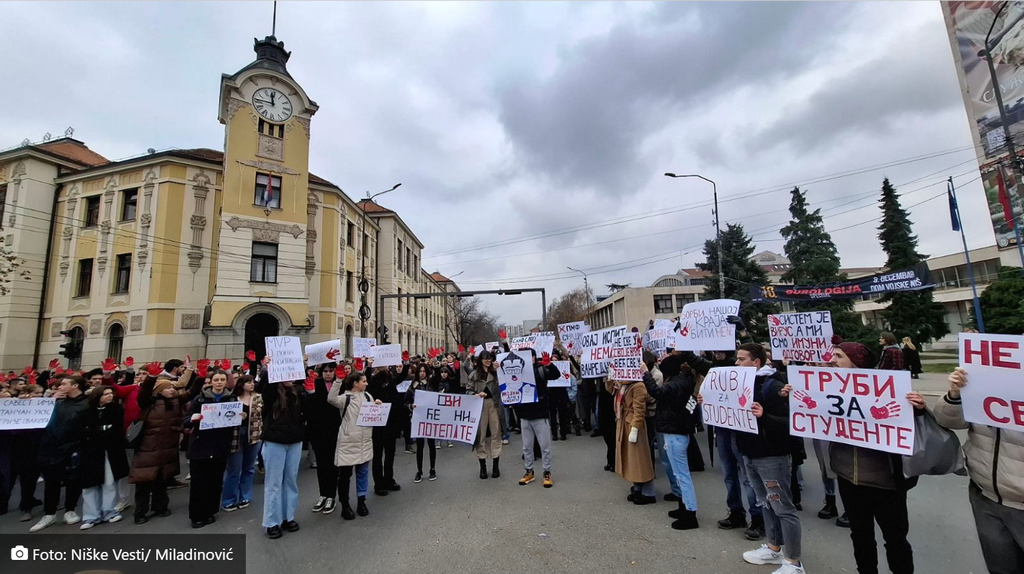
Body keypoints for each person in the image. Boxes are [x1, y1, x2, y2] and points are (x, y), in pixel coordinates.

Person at [827, 339, 926, 574]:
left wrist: (919, 408)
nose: (833, 360)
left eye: (839, 356)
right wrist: (792, 396)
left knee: (895, 540)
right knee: (860, 536)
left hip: (886, 483)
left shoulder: (889, 390)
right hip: (848, 478)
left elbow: (912, 429)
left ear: (856, 361)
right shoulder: (827, 388)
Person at [936, 366, 1024, 574]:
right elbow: (947, 420)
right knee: (1002, 568)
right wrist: (955, 395)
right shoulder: (984, 381)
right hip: (985, 496)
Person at [727, 344, 804, 574]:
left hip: (772, 456)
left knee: (783, 508)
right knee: (766, 503)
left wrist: (764, 416)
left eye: (741, 359)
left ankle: (794, 562)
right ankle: (774, 547)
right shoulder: (743, 383)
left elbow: (792, 422)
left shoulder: (774, 385)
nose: (737, 363)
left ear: (756, 363)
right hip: (750, 452)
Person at [679, 349, 764, 540]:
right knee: (729, 474)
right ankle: (736, 512)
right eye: (714, 350)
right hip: (723, 427)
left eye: (720, 350)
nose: (717, 353)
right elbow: (699, 365)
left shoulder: (752, 373)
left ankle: (758, 518)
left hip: (743, 430)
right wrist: (705, 399)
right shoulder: (715, 368)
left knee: (748, 477)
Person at [641, 354, 699, 529]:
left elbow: (657, 392)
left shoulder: (676, 384)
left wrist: (645, 374)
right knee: (679, 473)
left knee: (682, 475)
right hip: (676, 429)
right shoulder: (683, 381)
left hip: (675, 432)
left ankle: (690, 514)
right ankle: (683, 506)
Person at [30, 375, 90, 532]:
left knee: (73, 479)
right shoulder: (56, 402)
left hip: (73, 447)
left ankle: (70, 510)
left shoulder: (87, 403)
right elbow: (37, 417)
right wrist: (49, 401)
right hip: (50, 446)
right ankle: (49, 514)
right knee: (51, 482)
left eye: (63, 384)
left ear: (75, 385)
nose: (60, 387)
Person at [183, 369, 238, 529]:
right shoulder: (199, 400)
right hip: (201, 446)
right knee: (199, 483)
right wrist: (192, 419)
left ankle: (210, 511)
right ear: (211, 382)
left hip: (220, 446)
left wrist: (241, 416)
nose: (219, 382)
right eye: (216, 380)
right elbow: (186, 420)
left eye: (222, 379)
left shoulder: (231, 398)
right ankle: (196, 515)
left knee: (215, 482)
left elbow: (234, 419)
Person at [257, 361, 307, 539]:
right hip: (275, 441)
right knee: (274, 483)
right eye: (284, 374)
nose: (289, 377)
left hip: (294, 441)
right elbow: (266, 387)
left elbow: (307, 411)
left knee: (290, 481)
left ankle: (288, 517)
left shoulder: (298, 392)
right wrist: (269, 369)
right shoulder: (272, 394)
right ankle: (271, 522)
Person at [130, 376, 186, 524]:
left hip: (166, 447)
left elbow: (190, 393)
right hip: (148, 447)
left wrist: (199, 377)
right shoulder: (148, 403)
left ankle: (160, 507)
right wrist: (151, 378)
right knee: (144, 482)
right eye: (168, 388)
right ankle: (140, 512)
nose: (172, 390)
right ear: (159, 390)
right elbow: (144, 393)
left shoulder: (175, 402)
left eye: (172, 387)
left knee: (162, 480)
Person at [329, 370, 381, 520]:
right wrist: (338, 380)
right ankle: (345, 505)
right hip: (348, 442)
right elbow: (331, 399)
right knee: (345, 476)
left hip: (364, 442)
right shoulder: (345, 398)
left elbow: (374, 415)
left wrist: (377, 405)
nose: (366, 383)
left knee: (363, 474)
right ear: (355, 383)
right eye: (363, 381)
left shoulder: (367, 396)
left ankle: (361, 502)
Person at [79, 385, 130, 529]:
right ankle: (91, 516)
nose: (110, 396)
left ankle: (109, 511)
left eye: (111, 393)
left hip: (110, 451)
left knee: (109, 482)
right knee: (90, 485)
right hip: (91, 452)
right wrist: (101, 430)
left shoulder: (116, 410)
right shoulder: (86, 412)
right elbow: (83, 431)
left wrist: (97, 431)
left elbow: (115, 430)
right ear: (97, 396)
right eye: (106, 394)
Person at [607, 363, 656, 504]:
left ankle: (648, 492)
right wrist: (610, 376)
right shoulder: (622, 383)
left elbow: (639, 409)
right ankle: (637, 488)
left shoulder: (638, 385)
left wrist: (635, 428)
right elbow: (609, 389)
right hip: (623, 422)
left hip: (633, 424)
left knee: (640, 460)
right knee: (632, 459)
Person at [515, 350, 561, 488]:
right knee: (527, 447)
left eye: (530, 356)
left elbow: (555, 375)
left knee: (545, 446)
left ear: (534, 358)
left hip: (540, 413)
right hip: (524, 414)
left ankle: (547, 472)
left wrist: (550, 365)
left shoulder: (541, 370)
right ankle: (529, 471)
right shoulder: (517, 371)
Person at [367, 358, 409, 495]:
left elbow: (402, 376)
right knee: (378, 455)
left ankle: (389, 480)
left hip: (391, 424)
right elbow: (366, 379)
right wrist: (368, 366)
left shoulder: (391, 382)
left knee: (390, 454)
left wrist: (406, 364)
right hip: (378, 425)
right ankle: (379, 484)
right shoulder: (372, 383)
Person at [222, 375, 263, 512]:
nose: (252, 384)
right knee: (234, 469)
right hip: (236, 435)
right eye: (248, 382)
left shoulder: (258, 397)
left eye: (252, 382)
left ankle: (245, 496)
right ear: (241, 384)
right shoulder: (233, 398)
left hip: (254, 434)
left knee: (249, 467)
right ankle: (229, 499)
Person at [306, 363, 341, 512]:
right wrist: (311, 393)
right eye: (325, 371)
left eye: (330, 371)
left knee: (332, 465)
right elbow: (310, 407)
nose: (327, 374)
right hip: (318, 431)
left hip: (334, 430)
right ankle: (323, 494)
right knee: (321, 465)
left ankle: (331, 496)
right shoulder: (315, 383)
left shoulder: (340, 384)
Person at [7, 384, 44, 522]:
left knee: (29, 480)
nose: (39, 396)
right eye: (36, 394)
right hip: (16, 448)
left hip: (35, 449)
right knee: (10, 478)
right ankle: (3, 503)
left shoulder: (44, 408)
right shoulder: (16, 405)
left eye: (41, 393)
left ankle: (26, 507)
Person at [468, 351, 503, 479]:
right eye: (485, 359)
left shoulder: (496, 372)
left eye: (489, 358)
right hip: (480, 405)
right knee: (480, 435)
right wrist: (476, 395)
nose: (487, 361)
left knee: (496, 434)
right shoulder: (474, 374)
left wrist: (500, 369)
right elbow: (468, 391)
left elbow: (505, 385)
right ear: (480, 360)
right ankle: (483, 467)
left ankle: (495, 466)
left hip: (494, 404)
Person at [406, 364, 438, 482]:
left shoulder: (431, 384)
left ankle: (432, 469)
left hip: (430, 419)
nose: (422, 373)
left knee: (431, 445)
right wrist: (411, 406)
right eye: (420, 371)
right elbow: (406, 402)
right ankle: (419, 471)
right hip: (418, 419)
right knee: (420, 446)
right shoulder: (413, 386)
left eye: (424, 371)